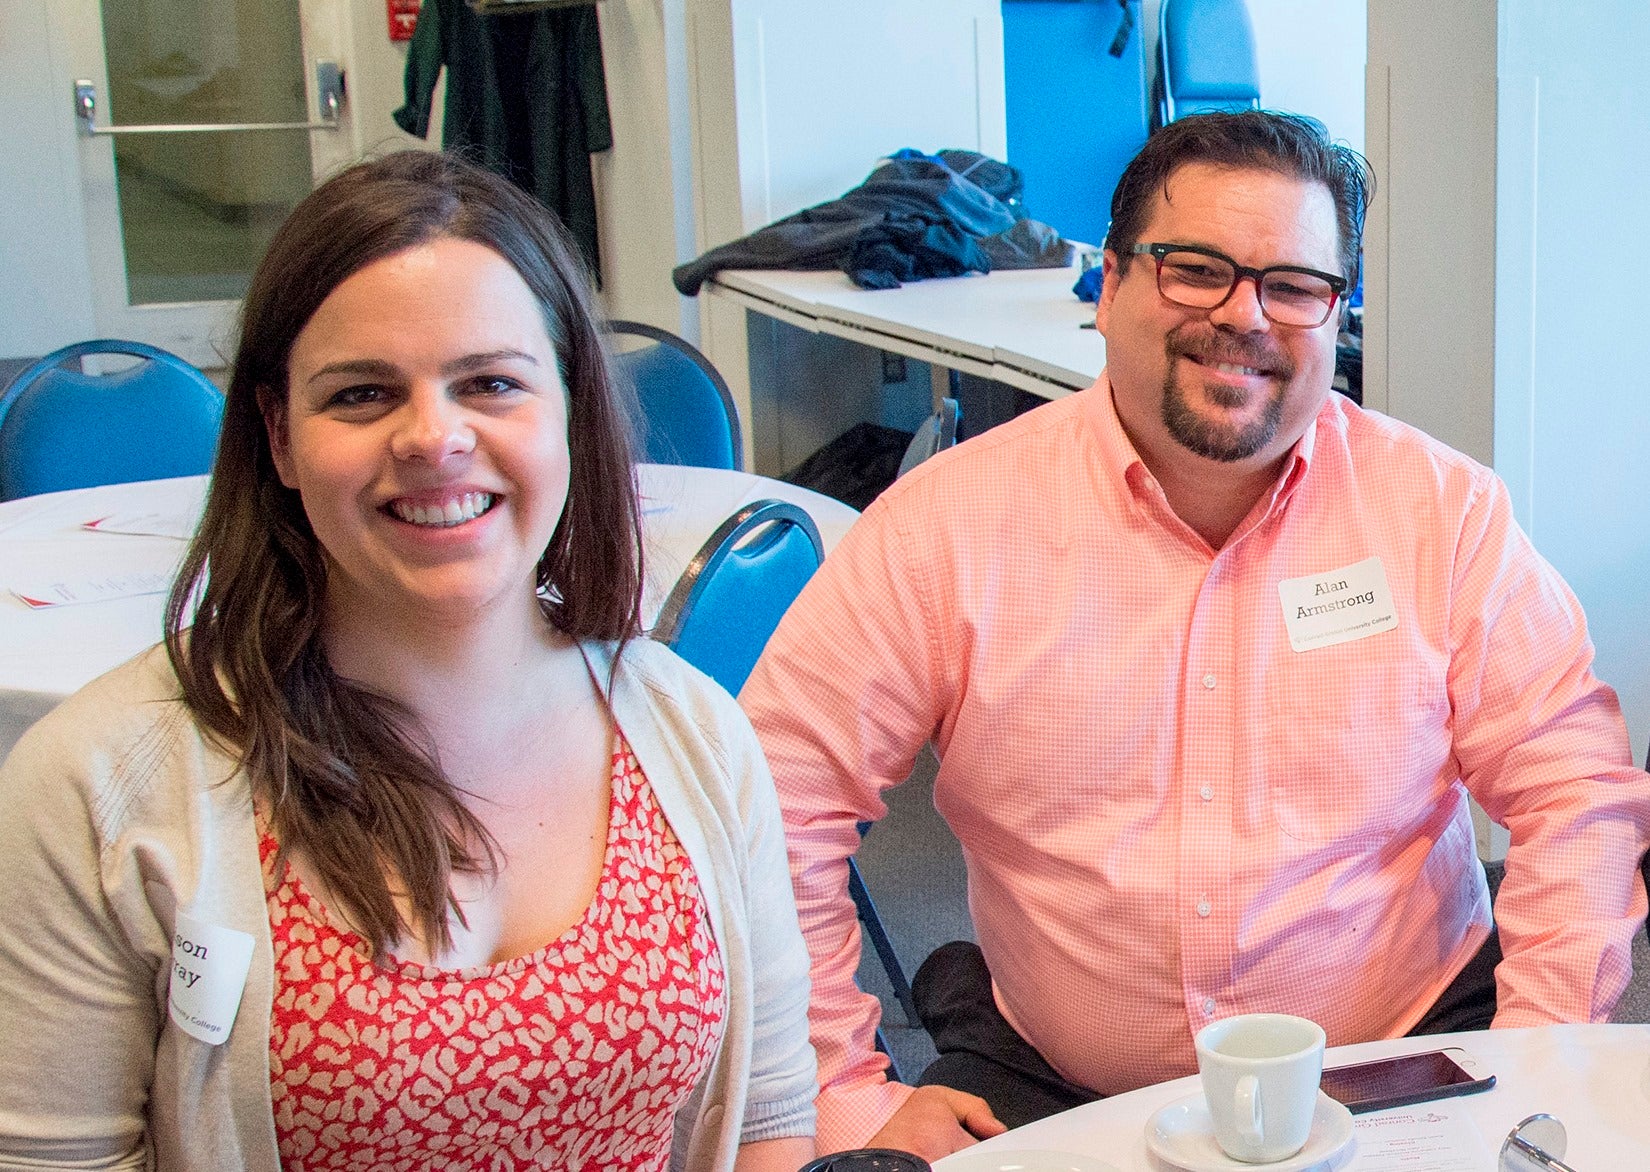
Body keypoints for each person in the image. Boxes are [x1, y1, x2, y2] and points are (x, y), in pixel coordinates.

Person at [739, 110, 1650, 1161]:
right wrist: (842, 1085)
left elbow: (1573, 787)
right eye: (1196, 269)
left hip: (1404, 1054)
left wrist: (1534, 1050)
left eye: (1293, 284)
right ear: (1112, 283)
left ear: (1336, 310)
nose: (1245, 315)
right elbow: (772, 803)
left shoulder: (1442, 515)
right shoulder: (943, 529)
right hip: (1053, 1077)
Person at [0, 151, 816, 1172]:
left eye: (490, 382)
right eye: (361, 394)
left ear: (567, 411)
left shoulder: (694, 734)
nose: (434, 436)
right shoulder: (98, 786)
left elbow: (771, 1117)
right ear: (279, 436)